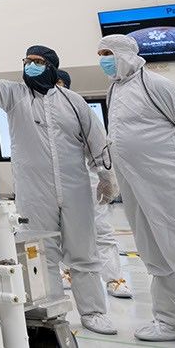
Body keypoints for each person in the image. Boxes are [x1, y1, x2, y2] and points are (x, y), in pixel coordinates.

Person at [0, 46, 119, 335]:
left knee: (84, 253)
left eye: (37, 62)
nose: (30, 66)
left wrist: (107, 177)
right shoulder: (15, 96)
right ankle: (54, 311)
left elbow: (96, 140)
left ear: (52, 66)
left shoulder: (73, 102)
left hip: (75, 188)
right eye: (27, 61)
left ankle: (93, 312)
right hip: (34, 192)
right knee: (43, 255)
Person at [98, 35, 175, 344]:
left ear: (126, 53)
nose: (103, 58)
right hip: (135, 185)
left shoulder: (156, 84)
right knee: (154, 254)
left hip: (169, 181)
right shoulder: (114, 90)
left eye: (108, 53)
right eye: (100, 53)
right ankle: (172, 323)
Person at [54, 69, 132, 300]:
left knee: (101, 230)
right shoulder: (36, 113)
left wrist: (107, 179)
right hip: (55, 183)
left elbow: (100, 146)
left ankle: (114, 280)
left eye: (58, 83)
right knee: (59, 231)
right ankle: (64, 272)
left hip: (87, 181)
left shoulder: (81, 110)